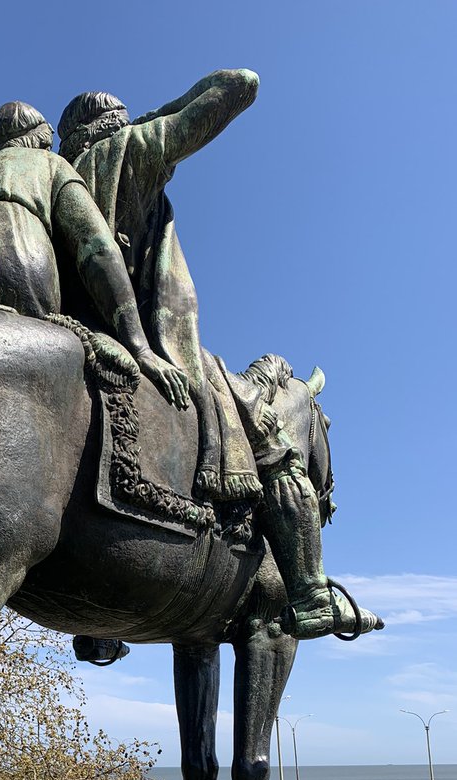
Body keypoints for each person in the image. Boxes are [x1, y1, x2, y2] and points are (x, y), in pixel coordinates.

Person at [57, 77, 381, 642]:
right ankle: (308, 592)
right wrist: (155, 121)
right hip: (157, 340)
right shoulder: (128, 152)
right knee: (272, 438)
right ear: (115, 125)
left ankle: (101, 624)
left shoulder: (56, 175)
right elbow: (240, 85)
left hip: (78, 328)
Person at [0, 101, 188, 408]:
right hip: (20, 295)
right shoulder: (50, 165)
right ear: (39, 140)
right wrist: (140, 347)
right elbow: (98, 248)